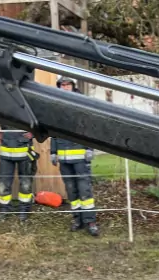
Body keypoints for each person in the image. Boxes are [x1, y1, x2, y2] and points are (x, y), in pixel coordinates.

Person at [50, 76, 99, 237]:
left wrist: (89, 148)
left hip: (80, 156)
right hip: (64, 160)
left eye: (67, 84)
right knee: (71, 191)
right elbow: (54, 132)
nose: (65, 87)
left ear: (73, 86)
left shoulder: (80, 103)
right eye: (62, 85)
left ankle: (90, 222)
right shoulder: (55, 105)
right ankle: (77, 219)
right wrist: (53, 152)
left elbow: (88, 128)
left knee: (85, 190)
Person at [0, 120, 37, 222]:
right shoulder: (1, 105)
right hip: (6, 153)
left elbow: (41, 121)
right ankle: (4, 209)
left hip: (25, 153)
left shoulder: (28, 105)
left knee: (26, 184)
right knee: (3, 184)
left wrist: (34, 133)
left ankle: (24, 210)